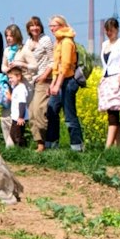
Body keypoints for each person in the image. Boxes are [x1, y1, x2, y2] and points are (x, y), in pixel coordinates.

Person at [42, 16, 78, 150]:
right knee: (51, 110)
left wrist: (58, 84)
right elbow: (56, 65)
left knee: (69, 115)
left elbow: (66, 65)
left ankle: (76, 146)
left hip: (68, 81)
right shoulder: (58, 41)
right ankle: (52, 144)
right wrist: (53, 84)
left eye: (54, 26)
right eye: (50, 26)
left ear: (62, 26)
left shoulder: (67, 41)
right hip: (59, 81)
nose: (52, 28)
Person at [95, 16, 120, 148]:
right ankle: (118, 147)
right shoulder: (104, 44)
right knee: (112, 113)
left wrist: (119, 80)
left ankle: (108, 148)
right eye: (107, 31)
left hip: (116, 79)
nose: (109, 33)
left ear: (117, 29)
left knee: (113, 114)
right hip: (106, 80)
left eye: (112, 30)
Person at [6, 65, 31, 146]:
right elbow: (16, 100)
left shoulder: (21, 88)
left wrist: (21, 117)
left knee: (17, 136)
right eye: (9, 78)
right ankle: (22, 148)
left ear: (19, 77)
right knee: (14, 134)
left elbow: (22, 103)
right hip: (16, 117)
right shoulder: (16, 87)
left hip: (20, 117)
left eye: (11, 78)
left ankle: (23, 150)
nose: (10, 80)